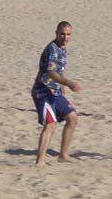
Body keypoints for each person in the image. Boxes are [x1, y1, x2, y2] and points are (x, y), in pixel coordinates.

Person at [32, 22, 82, 165]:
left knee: (72, 118)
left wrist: (62, 87)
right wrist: (69, 83)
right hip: (43, 92)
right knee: (51, 125)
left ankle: (63, 155)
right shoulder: (52, 49)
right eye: (62, 34)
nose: (65, 37)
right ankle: (40, 161)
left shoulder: (62, 49)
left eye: (68, 34)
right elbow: (51, 72)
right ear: (56, 33)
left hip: (55, 92)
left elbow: (59, 70)